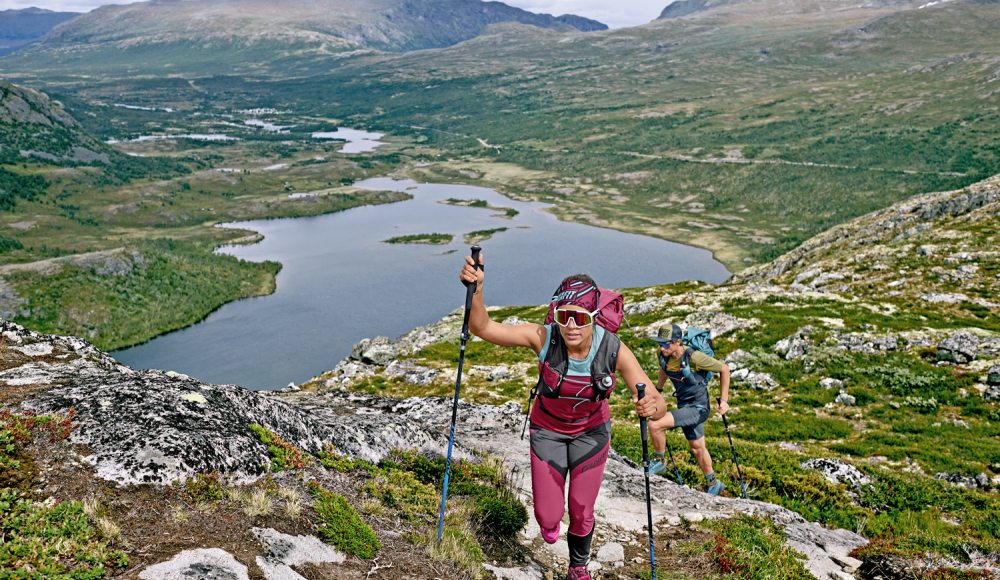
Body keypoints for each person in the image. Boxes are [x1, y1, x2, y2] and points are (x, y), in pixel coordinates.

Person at [460, 254, 666, 580]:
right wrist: (478, 289)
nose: (571, 325)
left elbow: (657, 400)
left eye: (580, 318)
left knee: (582, 509)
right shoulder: (543, 337)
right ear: (555, 313)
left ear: (595, 318)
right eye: (563, 316)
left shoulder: (613, 348)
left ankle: (578, 567)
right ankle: (551, 525)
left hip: (592, 434)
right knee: (547, 516)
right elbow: (482, 327)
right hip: (548, 432)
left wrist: (651, 407)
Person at [647, 324, 731, 496]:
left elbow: (724, 369)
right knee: (697, 447)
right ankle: (713, 483)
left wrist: (724, 400)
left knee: (655, 425)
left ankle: (660, 461)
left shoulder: (694, 357)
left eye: (666, 344)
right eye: (660, 343)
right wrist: (658, 391)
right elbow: (664, 368)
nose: (662, 347)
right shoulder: (663, 355)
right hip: (684, 404)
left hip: (698, 408)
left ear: (678, 342)